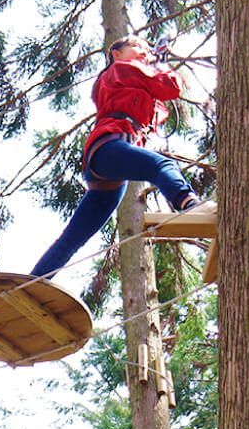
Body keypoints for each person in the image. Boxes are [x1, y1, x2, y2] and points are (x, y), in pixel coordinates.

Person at [30, 35, 199, 279]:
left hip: (110, 166)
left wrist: (155, 64)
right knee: (162, 165)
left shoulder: (127, 80)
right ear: (116, 54)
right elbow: (170, 87)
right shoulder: (121, 69)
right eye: (136, 46)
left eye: (146, 48)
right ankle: (189, 204)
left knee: (73, 238)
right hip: (109, 145)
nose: (143, 51)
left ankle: (33, 282)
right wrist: (160, 63)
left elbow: (157, 104)